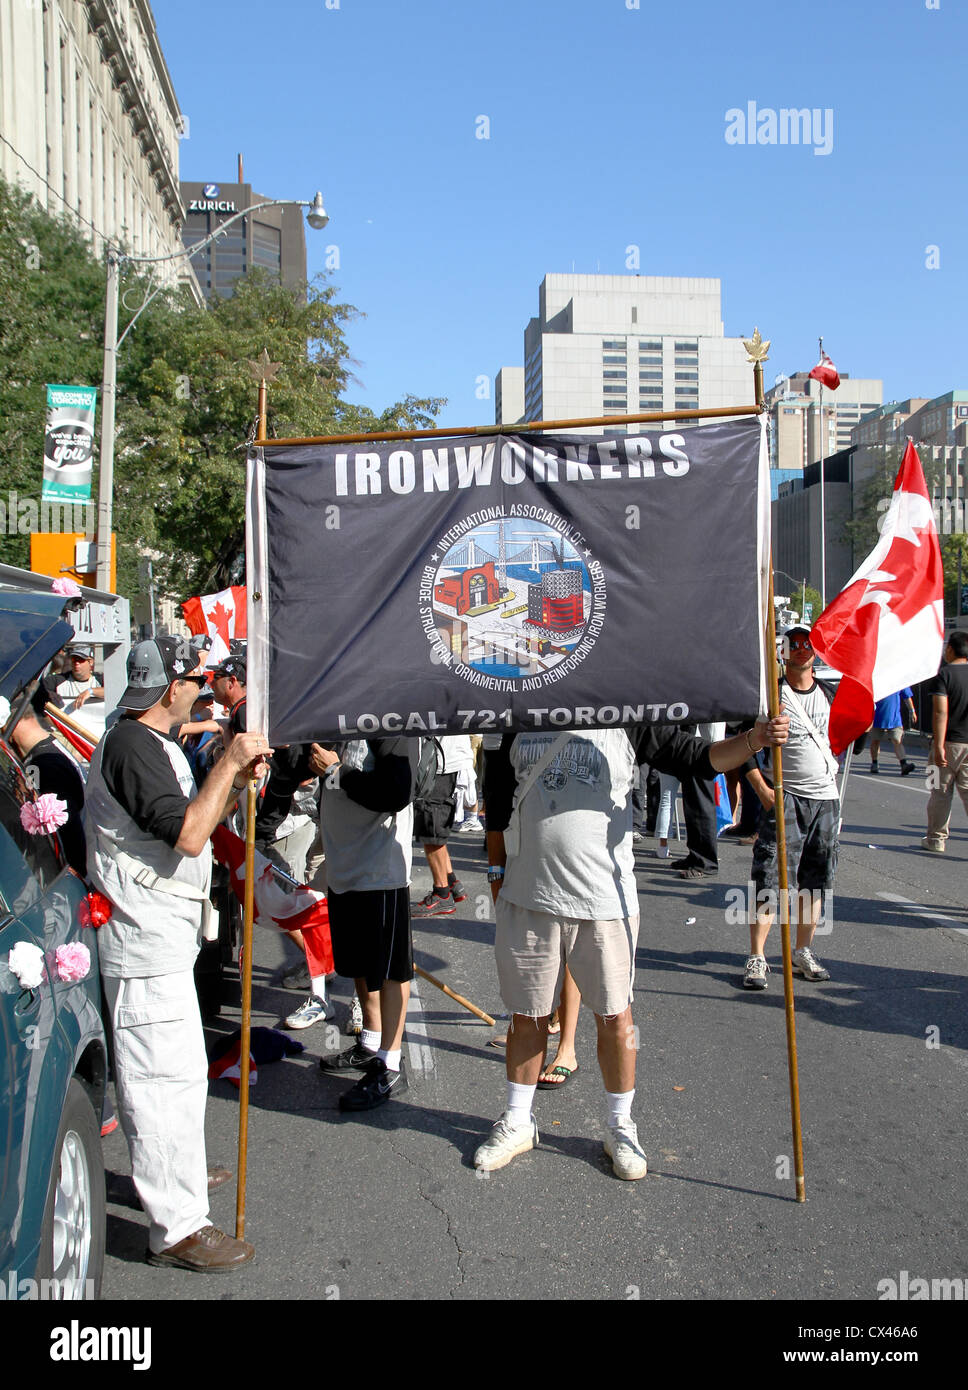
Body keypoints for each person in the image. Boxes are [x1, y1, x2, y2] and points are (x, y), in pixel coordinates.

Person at [475, 714, 788, 1179]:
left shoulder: (624, 716)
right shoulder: (523, 711)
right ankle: (519, 1120)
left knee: (616, 1018)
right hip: (528, 896)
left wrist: (753, 740)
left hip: (605, 902)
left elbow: (699, 759)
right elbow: (498, 806)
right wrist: (497, 872)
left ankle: (620, 1125)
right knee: (528, 1016)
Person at [85, 636, 271, 1271]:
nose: (206, 685)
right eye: (198, 677)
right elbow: (191, 835)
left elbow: (193, 815)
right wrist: (226, 767)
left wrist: (234, 776)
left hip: (162, 940)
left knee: (181, 1078)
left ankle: (176, 1178)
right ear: (171, 689)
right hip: (142, 945)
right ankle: (177, 1228)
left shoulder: (150, 741)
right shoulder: (133, 746)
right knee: (160, 1084)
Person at [312, 736, 418, 1109]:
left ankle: (389, 1063)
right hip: (344, 865)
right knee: (357, 965)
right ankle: (371, 1043)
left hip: (379, 868)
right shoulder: (336, 714)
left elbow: (395, 792)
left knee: (390, 971)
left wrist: (336, 771)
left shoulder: (391, 719)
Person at [742, 623, 839, 990]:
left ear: (816, 651)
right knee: (770, 877)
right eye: (793, 644)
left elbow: (846, 738)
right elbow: (745, 748)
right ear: (783, 651)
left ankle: (803, 950)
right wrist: (765, 793)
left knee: (815, 879)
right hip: (786, 798)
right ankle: (757, 956)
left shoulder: (830, 694)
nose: (801, 649)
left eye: (807, 644)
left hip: (825, 800)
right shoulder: (771, 697)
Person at [9, 703, 87, 874]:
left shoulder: (42, 764)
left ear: (12, 725)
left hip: (69, 871)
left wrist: (75, 870)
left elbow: (65, 822)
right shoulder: (51, 746)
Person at [411, 735, 471, 916]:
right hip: (445, 757)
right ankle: (451, 882)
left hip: (442, 760)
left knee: (431, 827)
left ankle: (442, 892)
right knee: (432, 823)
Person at [922, 629, 968, 853]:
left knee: (938, 792)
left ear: (950, 649)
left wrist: (938, 745)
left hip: (948, 743)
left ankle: (935, 839)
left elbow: (941, 713)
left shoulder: (944, 675)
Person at [870, 688, 917, 775]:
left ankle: (904, 764)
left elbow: (907, 695)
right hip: (876, 717)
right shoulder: (876, 678)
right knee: (875, 741)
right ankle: (874, 763)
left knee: (897, 740)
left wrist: (912, 710)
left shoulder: (897, 679)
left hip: (894, 718)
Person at [52, 642, 104, 713]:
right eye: (74, 659)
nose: (77, 663)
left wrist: (91, 691)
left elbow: (113, 691)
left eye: (80, 659)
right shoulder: (57, 680)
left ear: (91, 662)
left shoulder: (100, 680)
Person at [210, 652, 247, 734]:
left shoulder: (243, 711)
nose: (211, 683)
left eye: (216, 677)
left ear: (231, 682)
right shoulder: (245, 708)